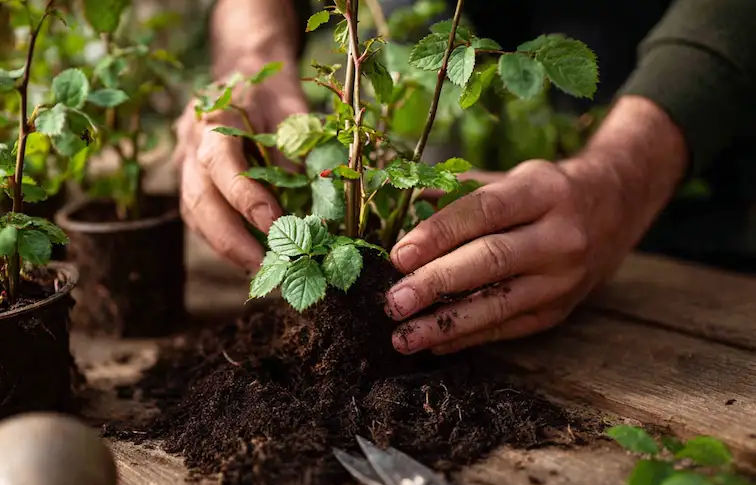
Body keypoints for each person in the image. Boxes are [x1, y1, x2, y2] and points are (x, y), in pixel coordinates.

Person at [172, 0, 756, 356]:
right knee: (428, 230)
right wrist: (247, 56)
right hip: (434, 156)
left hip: (689, 170)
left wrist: (625, 175)